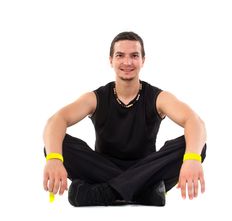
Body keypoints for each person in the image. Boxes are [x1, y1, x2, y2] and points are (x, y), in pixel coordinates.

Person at [43, 31, 207, 207]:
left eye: (134, 56)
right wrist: (54, 158)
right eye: (120, 55)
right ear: (111, 60)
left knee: (197, 146)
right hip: (104, 168)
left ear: (143, 60)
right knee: (57, 144)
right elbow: (57, 119)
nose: (127, 62)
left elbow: (194, 121)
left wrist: (191, 159)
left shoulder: (158, 98)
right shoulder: (95, 98)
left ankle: (107, 192)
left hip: (148, 168)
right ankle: (144, 193)